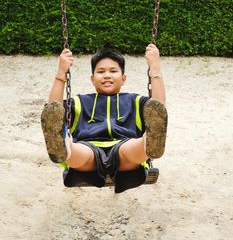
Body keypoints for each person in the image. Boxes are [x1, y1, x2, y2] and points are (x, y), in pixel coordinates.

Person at [41, 43, 167, 193]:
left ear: (123, 78)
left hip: (125, 149)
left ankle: (150, 142)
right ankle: (62, 146)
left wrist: (155, 68)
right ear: (93, 79)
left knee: (132, 147)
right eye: (101, 71)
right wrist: (61, 73)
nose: (107, 75)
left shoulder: (135, 101)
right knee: (76, 150)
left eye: (113, 71)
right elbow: (53, 109)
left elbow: (159, 107)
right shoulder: (80, 102)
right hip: (88, 150)